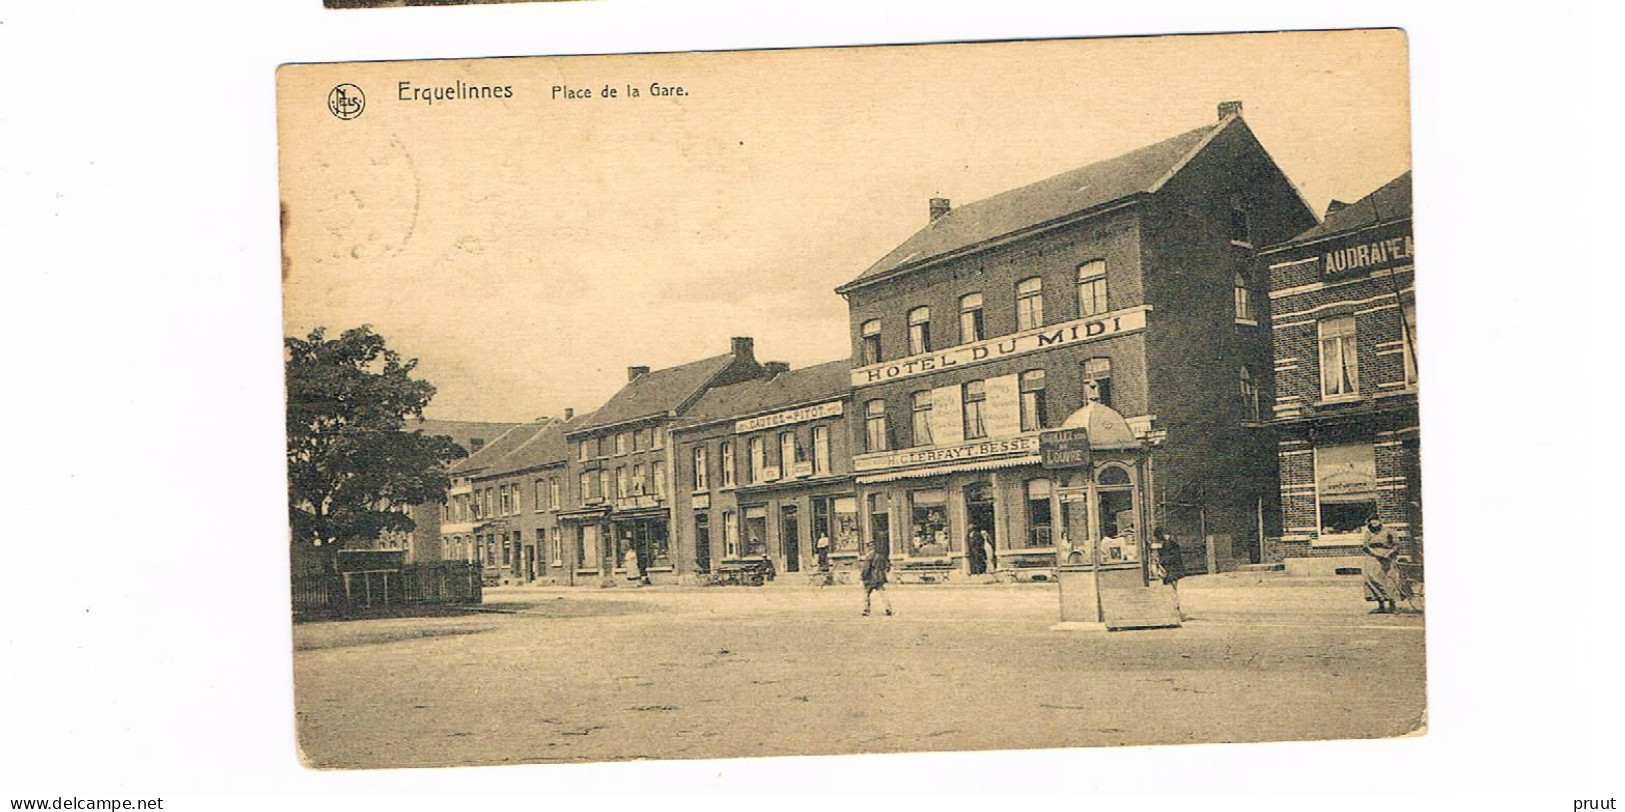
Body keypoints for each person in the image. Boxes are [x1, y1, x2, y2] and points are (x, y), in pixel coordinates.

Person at [1361, 517, 1411, 613]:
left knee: (1389, 579)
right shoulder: (1369, 533)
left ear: (1380, 522)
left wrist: (1388, 554)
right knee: (1372, 578)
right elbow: (1366, 546)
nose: (1374, 524)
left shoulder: (1389, 531)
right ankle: (1381, 604)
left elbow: (1396, 544)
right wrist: (1377, 554)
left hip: (1387, 558)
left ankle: (1392, 604)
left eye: (1376, 522)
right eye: (1372, 523)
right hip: (1373, 557)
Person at [860, 548, 893, 617]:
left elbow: (866, 568)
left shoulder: (869, 557)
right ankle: (888, 608)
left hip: (870, 578)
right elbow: (886, 567)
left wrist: (863, 576)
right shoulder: (880, 556)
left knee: (866, 594)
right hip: (879, 578)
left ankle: (866, 610)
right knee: (882, 593)